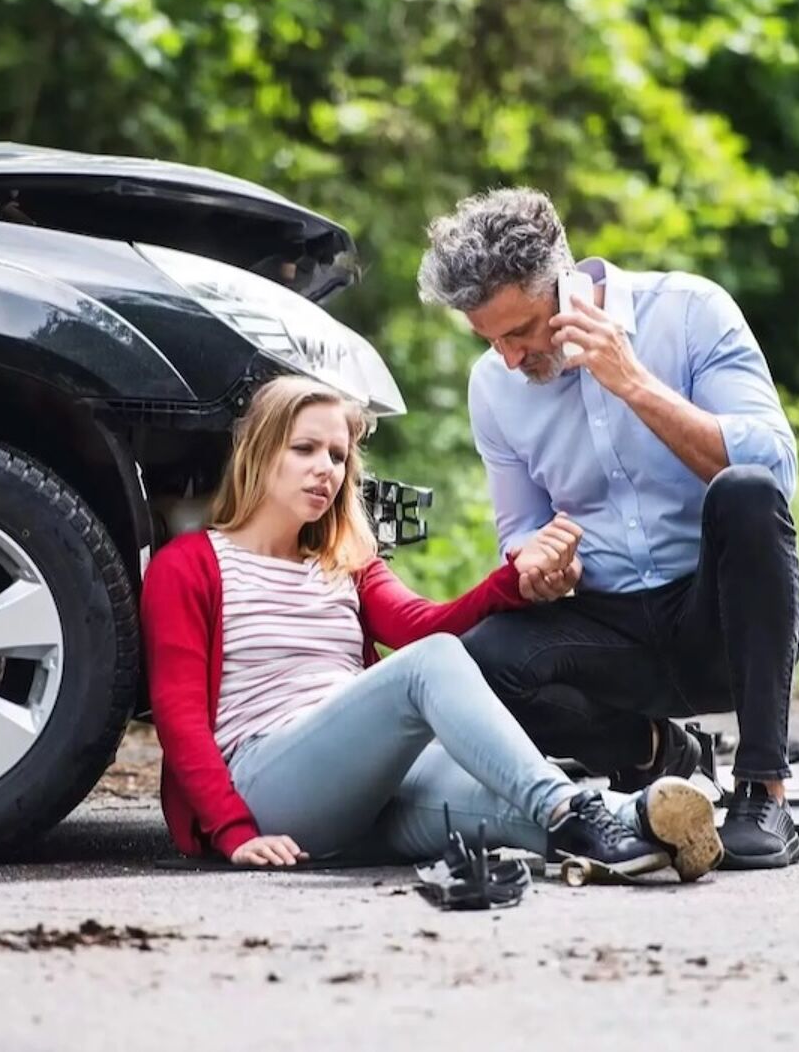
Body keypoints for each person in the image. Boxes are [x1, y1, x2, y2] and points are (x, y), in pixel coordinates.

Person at [142, 375, 722, 880]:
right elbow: (180, 718)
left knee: (501, 790)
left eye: (339, 456)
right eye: (305, 449)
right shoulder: (191, 565)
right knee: (433, 667)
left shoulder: (346, 562)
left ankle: (645, 823)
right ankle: (577, 814)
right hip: (269, 787)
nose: (326, 469)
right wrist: (234, 830)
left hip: (362, 789)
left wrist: (511, 583)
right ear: (260, 452)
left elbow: (421, 624)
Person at [417, 188, 799, 870]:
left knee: (745, 491)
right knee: (477, 660)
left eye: (521, 331)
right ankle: (653, 752)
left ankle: (764, 790)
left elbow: (772, 468)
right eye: (490, 339)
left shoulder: (690, 311)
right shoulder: (494, 386)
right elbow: (519, 529)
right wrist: (537, 566)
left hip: (719, 619)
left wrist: (633, 382)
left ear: (568, 290)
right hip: (608, 631)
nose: (510, 358)